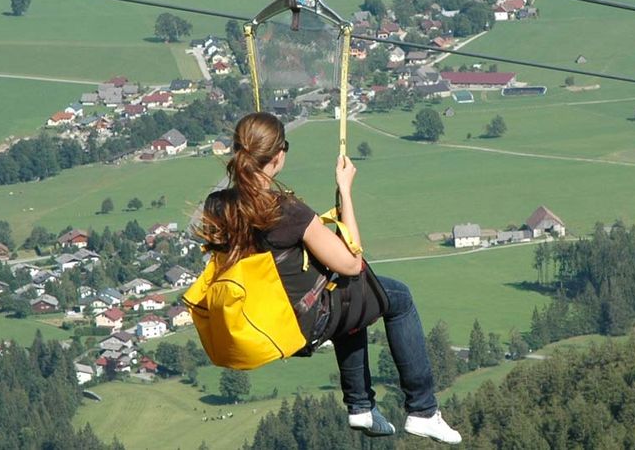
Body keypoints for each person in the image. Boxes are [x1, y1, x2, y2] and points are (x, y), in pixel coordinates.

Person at [194, 113, 462, 444]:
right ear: (277, 156)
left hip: (262, 319)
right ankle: (423, 411)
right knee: (396, 297)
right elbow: (352, 262)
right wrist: (345, 191)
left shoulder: (218, 206)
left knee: (351, 298)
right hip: (304, 322)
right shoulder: (286, 211)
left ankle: (362, 406)